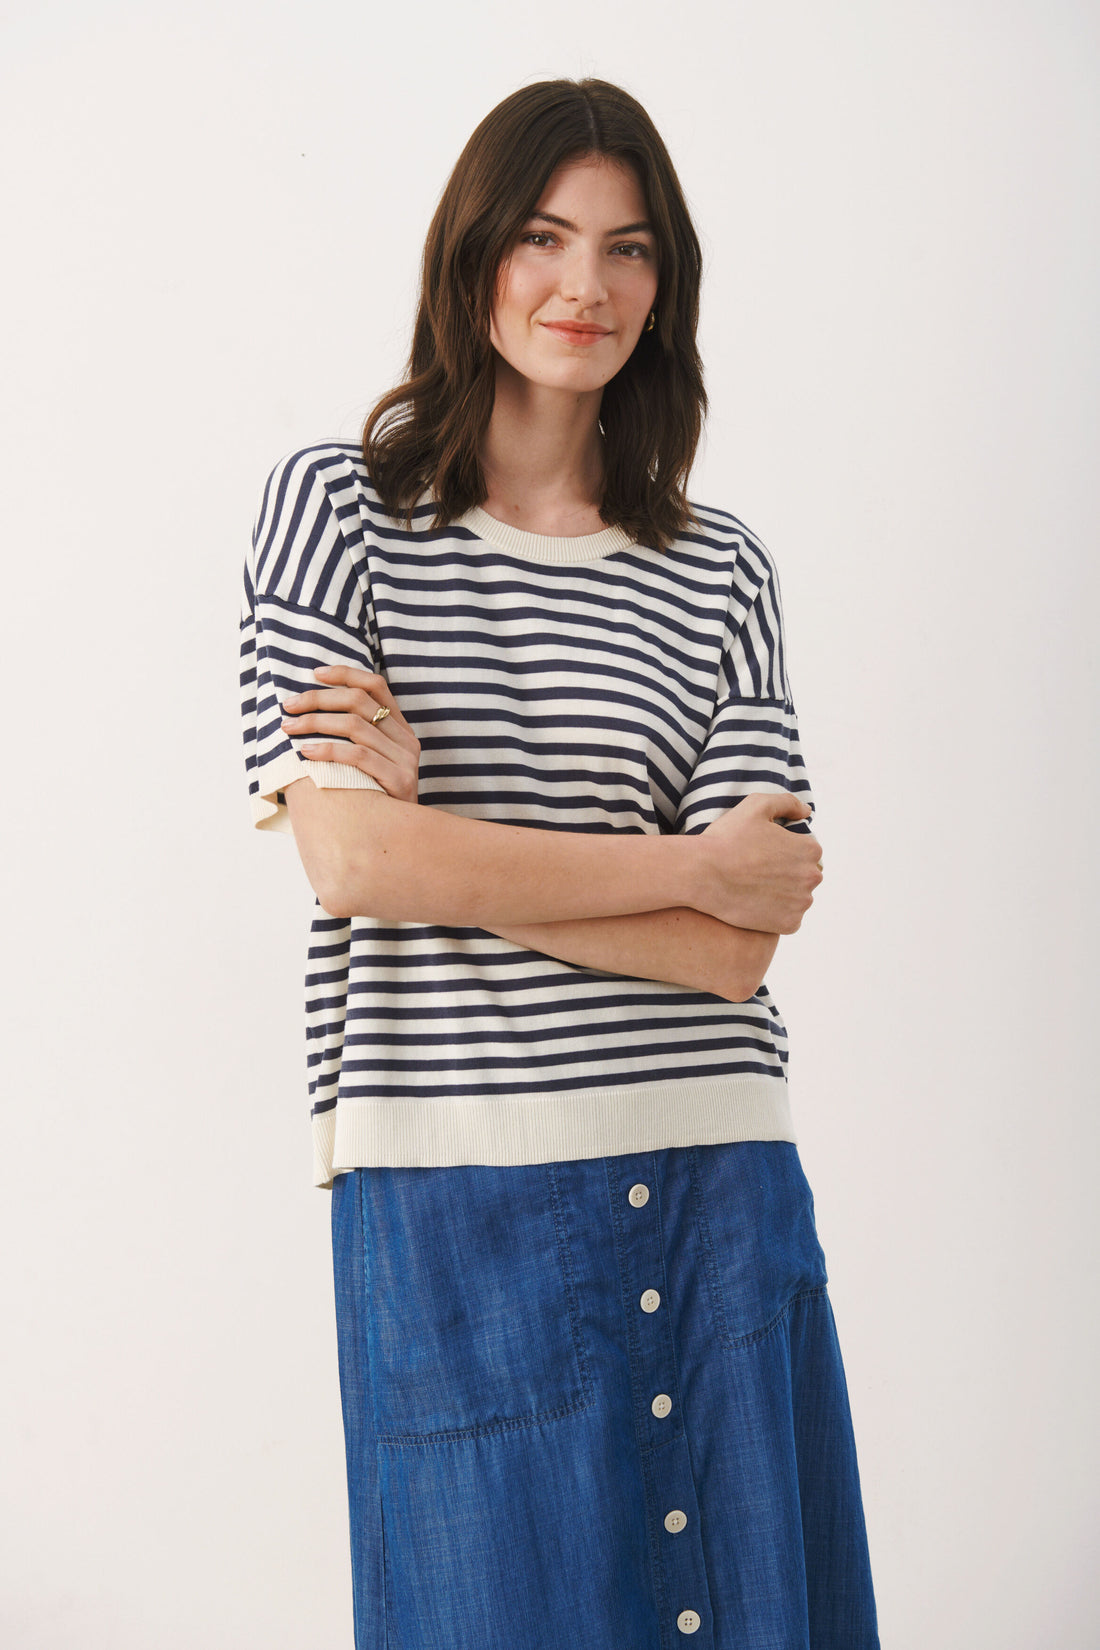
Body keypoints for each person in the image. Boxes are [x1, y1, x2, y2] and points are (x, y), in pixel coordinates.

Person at [240, 76, 880, 1650]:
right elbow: (352, 859)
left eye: (627, 247)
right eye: (542, 235)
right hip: (454, 1179)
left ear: (667, 286)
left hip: (720, 1172)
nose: (583, 284)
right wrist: (676, 863)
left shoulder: (722, 571)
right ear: (472, 253)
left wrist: (443, 843)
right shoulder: (340, 510)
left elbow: (736, 947)